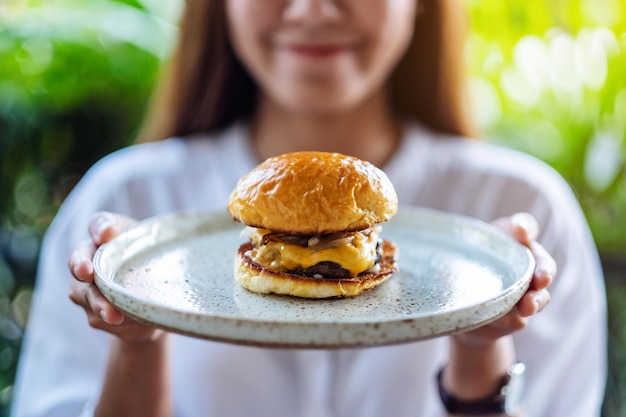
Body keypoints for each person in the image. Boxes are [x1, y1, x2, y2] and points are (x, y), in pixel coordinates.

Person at [10, 0, 607, 416]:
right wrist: (135, 340)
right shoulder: (123, 207)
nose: (314, 7)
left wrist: (480, 348)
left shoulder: (525, 213)